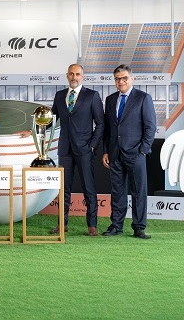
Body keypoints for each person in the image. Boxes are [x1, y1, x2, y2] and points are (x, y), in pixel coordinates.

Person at [49, 64, 105, 236]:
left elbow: (100, 123)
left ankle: (92, 225)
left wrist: (92, 144)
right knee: (64, 188)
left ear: (83, 76)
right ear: (67, 75)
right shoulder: (59, 96)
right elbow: (51, 120)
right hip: (64, 149)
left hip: (85, 149)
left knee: (88, 187)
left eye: (78, 74)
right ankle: (62, 224)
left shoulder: (92, 95)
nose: (74, 77)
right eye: (71, 74)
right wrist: (32, 130)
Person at [102, 64, 156, 239]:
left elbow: (150, 126)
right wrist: (106, 151)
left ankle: (139, 227)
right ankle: (116, 226)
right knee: (117, 192)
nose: (121, 81)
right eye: (118, 79)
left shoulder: (143, 98)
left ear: (131, 79)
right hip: (114, 154)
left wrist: (142, 150)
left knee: (138, 191)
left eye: (124, 78)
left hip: (136, 154)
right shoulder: (110, 100)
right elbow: (108, 129)